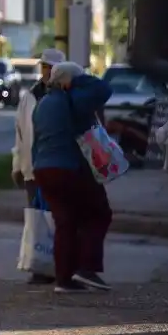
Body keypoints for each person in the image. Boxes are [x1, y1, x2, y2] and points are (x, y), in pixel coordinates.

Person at [32, 61, 114, 293]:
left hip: (43, 169)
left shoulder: (42, 104)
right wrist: (77, 79)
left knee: (65, 223)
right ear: (69, 82)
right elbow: (104, 89)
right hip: (68, 168)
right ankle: (87, 268)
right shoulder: (73, 100)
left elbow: (36, 142)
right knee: (98, 213)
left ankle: (64, 280)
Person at [11, 48, 65, 285]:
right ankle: (39, 266)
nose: (46, 71)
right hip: (33, 169)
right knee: (36, 219)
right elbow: (20, 134)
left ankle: (60, 267)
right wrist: (17, 166)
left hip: (58, 167)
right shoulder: (29, 96)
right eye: (43, 67)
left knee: (59, 218)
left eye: (50, 67)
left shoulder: (66, 95)